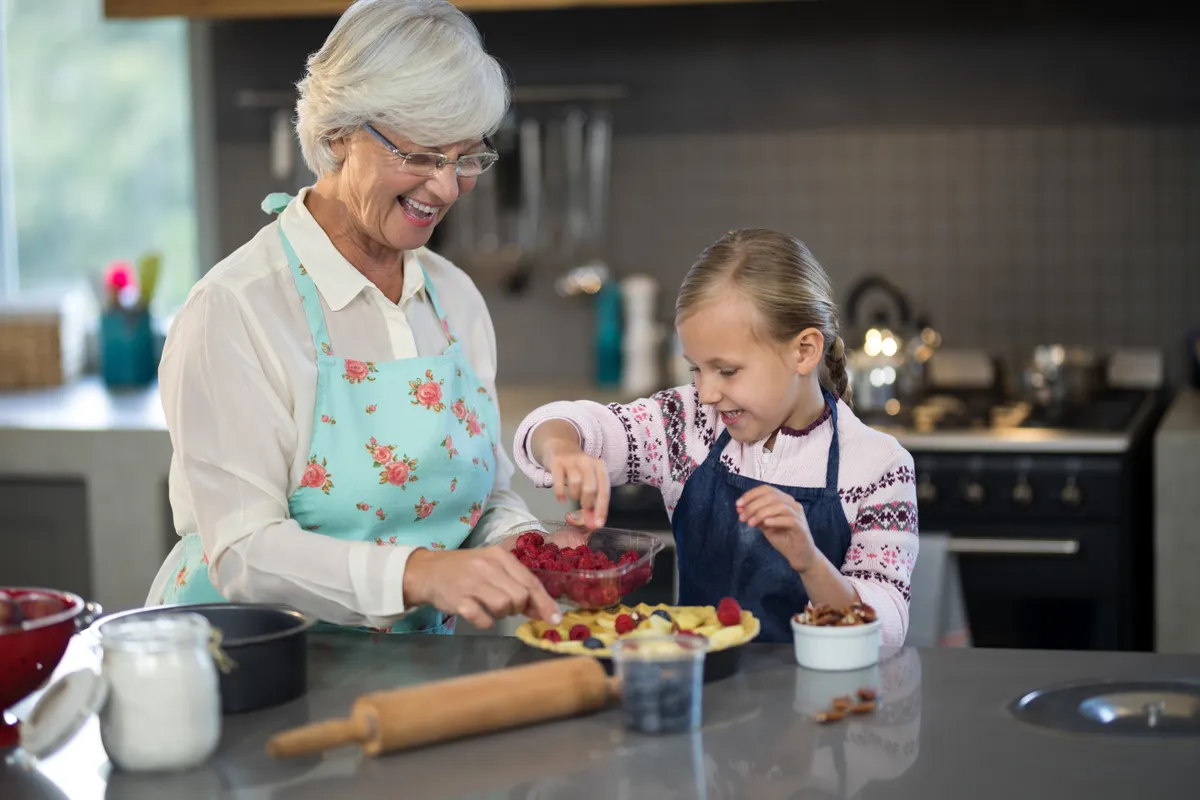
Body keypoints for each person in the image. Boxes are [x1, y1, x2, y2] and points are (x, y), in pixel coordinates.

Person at [145, 0, 561, 634]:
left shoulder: (455, 299)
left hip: (416, 675)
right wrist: (418, 574)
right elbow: (244, 551)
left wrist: (524, 547)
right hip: (252, 666)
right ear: (338, 134)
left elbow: (484, 496)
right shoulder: (235, 310)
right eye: (421, 156)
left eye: (466, 158)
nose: (447, 188)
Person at [513, 229, 918, 644]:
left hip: (826, 700)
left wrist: (810, 562)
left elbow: (886, 630)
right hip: (700, 694)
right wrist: (564, 449)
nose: (707, 393)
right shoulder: (687, 423)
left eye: (726, 370)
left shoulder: (878, 466)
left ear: (804, 351)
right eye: (696, 369)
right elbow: (572, 423)